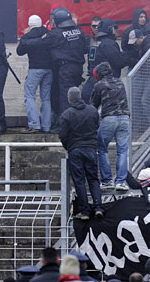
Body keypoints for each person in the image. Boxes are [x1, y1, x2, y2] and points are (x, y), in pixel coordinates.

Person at [21, 8, 87, 116]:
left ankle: (66, 124)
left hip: (65, 69)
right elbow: (85, 49)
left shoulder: (56, 33)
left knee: (65, 97)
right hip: (78, 68)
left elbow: (40, 43)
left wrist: (25, 39)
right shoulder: (79, 31)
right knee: (74, 95)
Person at [59, 87, 102, 220]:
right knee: (93, 179)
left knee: (79, 181)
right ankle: (98, 207)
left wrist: (69, 147)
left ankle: (84, 211)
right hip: (90, 149)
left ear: (70, 99)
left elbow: (63, 135)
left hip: (75, 150)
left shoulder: (67, 114)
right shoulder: (92, 111)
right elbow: (96, 127)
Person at [91, 62, 131, 190]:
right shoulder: (120, 82)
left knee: (102, 149)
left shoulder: (99, 85)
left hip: (109, 118)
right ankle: (121, 181)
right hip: (124, 118)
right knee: (123, 150)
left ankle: (107, 181)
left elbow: (93, 106)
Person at [17, 15, 53, 133]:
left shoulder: (28, 36)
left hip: (35, 69)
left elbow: (19, 51)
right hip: (49, 70)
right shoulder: (48, 33)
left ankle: (34, 125)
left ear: (30, 24)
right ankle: (47, 126)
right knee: (46, 98)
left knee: (30, 96)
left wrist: (26, 35)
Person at [84, 18, 129, 102]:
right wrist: (129, 58)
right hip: (107, 83)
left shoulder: (94, 43)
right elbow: (118, 62)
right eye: (114, 29)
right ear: (109, 29)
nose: (116, 31)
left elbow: (91, 64)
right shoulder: (109, 44)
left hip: (93, 81)